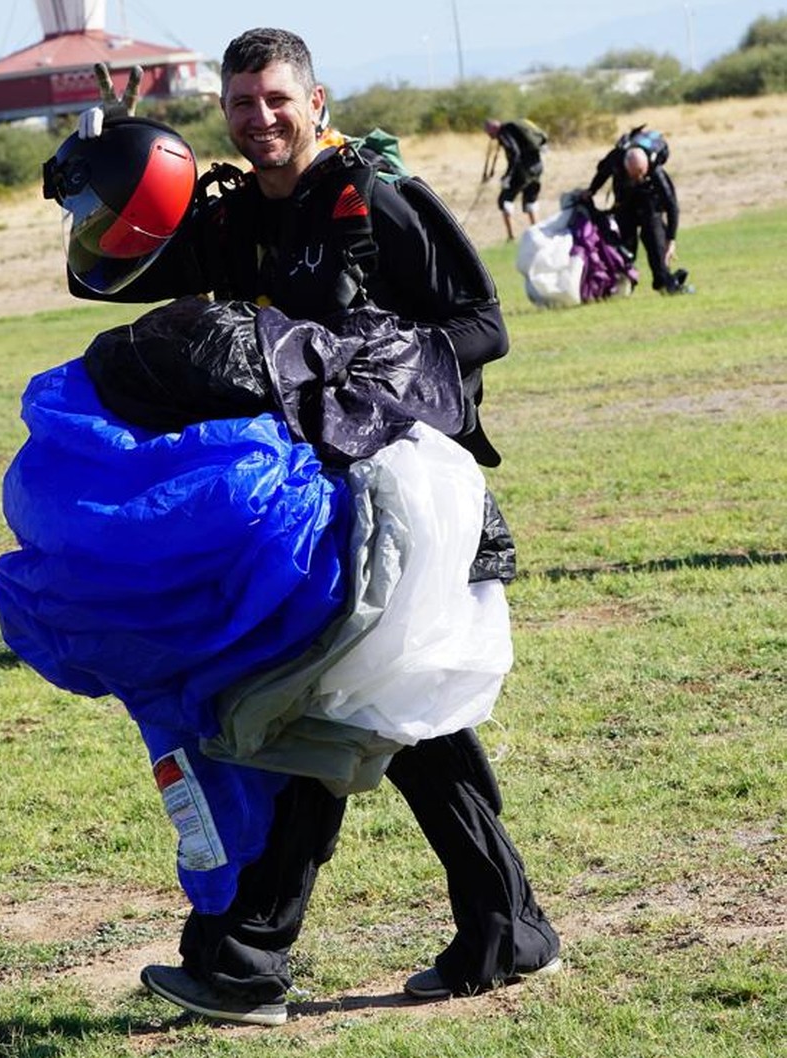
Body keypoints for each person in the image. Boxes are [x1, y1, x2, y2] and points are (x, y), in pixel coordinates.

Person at [64, 27, 561, 1026]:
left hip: (402, 492)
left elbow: (482, 325)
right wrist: (102, 178)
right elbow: (115, 274)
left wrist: (350, 363)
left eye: (277, 99)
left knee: (317, 698)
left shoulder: (374, 198)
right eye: (242, 103)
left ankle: (246, 957)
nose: (261, 118)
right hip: (303, 503)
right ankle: (503, 926)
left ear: (316, 100)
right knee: (386, 706)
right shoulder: (233, 213)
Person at [586, 135, 692, 295]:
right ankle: (621, 286)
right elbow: (602, 174)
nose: (639, 178)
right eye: (635, 175)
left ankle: (664, 283)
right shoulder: (616, 159)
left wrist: (671, 240)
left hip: (649, 204)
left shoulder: (655, 170)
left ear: (647, 166)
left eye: (642, 174)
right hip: (625, 204)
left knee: (656, 243)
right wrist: (591, 191)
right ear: (625, 166)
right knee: (625, 249)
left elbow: (672, 205)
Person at [483, 118, 547, 241]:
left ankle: (511, 236)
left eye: (488, 132)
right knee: (531, 200)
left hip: (523, 171)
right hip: (537, 167)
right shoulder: (515, 130)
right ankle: (537, 233)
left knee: (505, 200)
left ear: (492, 128)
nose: (489, 136)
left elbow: (514, 153)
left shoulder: (504, 132)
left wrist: (508, 175)